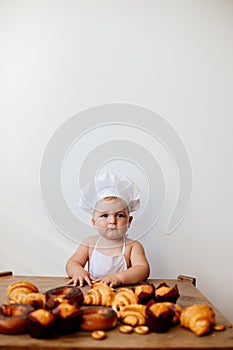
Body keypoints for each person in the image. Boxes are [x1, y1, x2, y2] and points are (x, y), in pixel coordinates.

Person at [66, 172, 150, 287]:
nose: (112, 221)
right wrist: (78, 272)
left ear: (129, 221)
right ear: (94, 222)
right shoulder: (89, 243)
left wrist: (119, 277)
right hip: (94, 292)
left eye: (120, 215)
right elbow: (72, 263)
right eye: (105, 215)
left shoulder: (133, 246)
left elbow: (142, 269)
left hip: (122, 295)